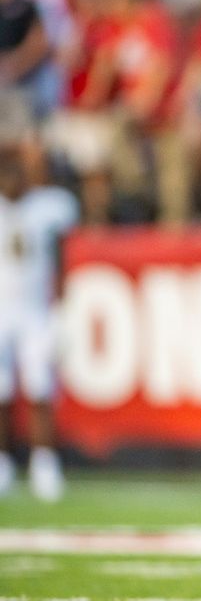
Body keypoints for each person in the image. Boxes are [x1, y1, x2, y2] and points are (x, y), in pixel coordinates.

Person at [0, 137, 78, 502]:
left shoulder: (48, 206)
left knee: (40, 388)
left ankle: (44, 463)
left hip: (35, 310)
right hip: (3, 311)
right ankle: (3, 463)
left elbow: (61, 261)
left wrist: (62, 310)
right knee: (2, 392)